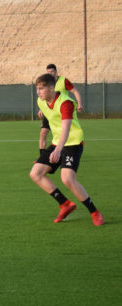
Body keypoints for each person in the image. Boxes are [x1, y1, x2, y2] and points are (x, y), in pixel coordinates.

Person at [29, 73, 103, 226]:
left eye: (42, 88)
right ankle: (65, 204)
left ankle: (94, 212)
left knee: (67, 179)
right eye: (37, 89)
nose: (38, 92)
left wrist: (57, 151)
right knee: (35, 174)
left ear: (52, 88)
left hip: (73, 141)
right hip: (58, 142)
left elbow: (66, 129)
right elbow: (50, 118)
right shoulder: (40, 101)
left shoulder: (66, 103)